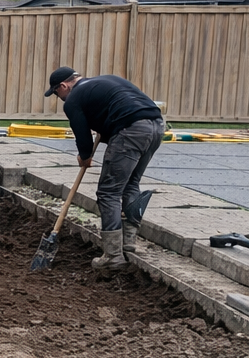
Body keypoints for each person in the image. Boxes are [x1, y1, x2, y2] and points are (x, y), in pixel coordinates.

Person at [44, 66, 165, 269]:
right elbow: (119, 113)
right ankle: (128, 244)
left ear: (63, 86)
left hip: (131, 130)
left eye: (57, 93)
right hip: (156, 127)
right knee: (130, 184)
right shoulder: (105, 81)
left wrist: (84, 156)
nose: (59, 98)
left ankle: (113, 256)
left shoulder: (74, 99)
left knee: (109, 192)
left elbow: (81, 133)